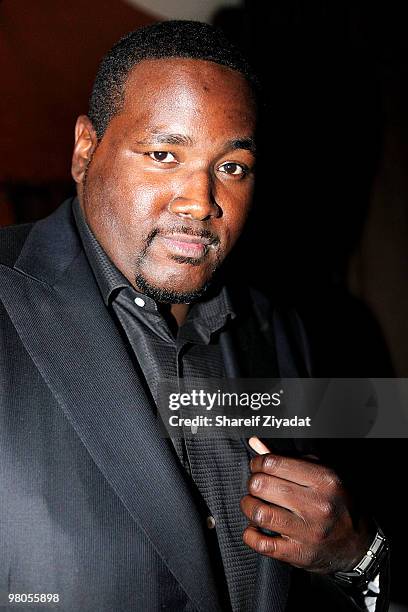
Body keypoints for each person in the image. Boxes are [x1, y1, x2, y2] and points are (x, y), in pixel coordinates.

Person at [0, 21, 389, 612]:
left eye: (231, 167)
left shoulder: (284, 331)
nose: (201, 201)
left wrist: (356, 557)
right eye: (163, 154)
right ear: (86, 149)